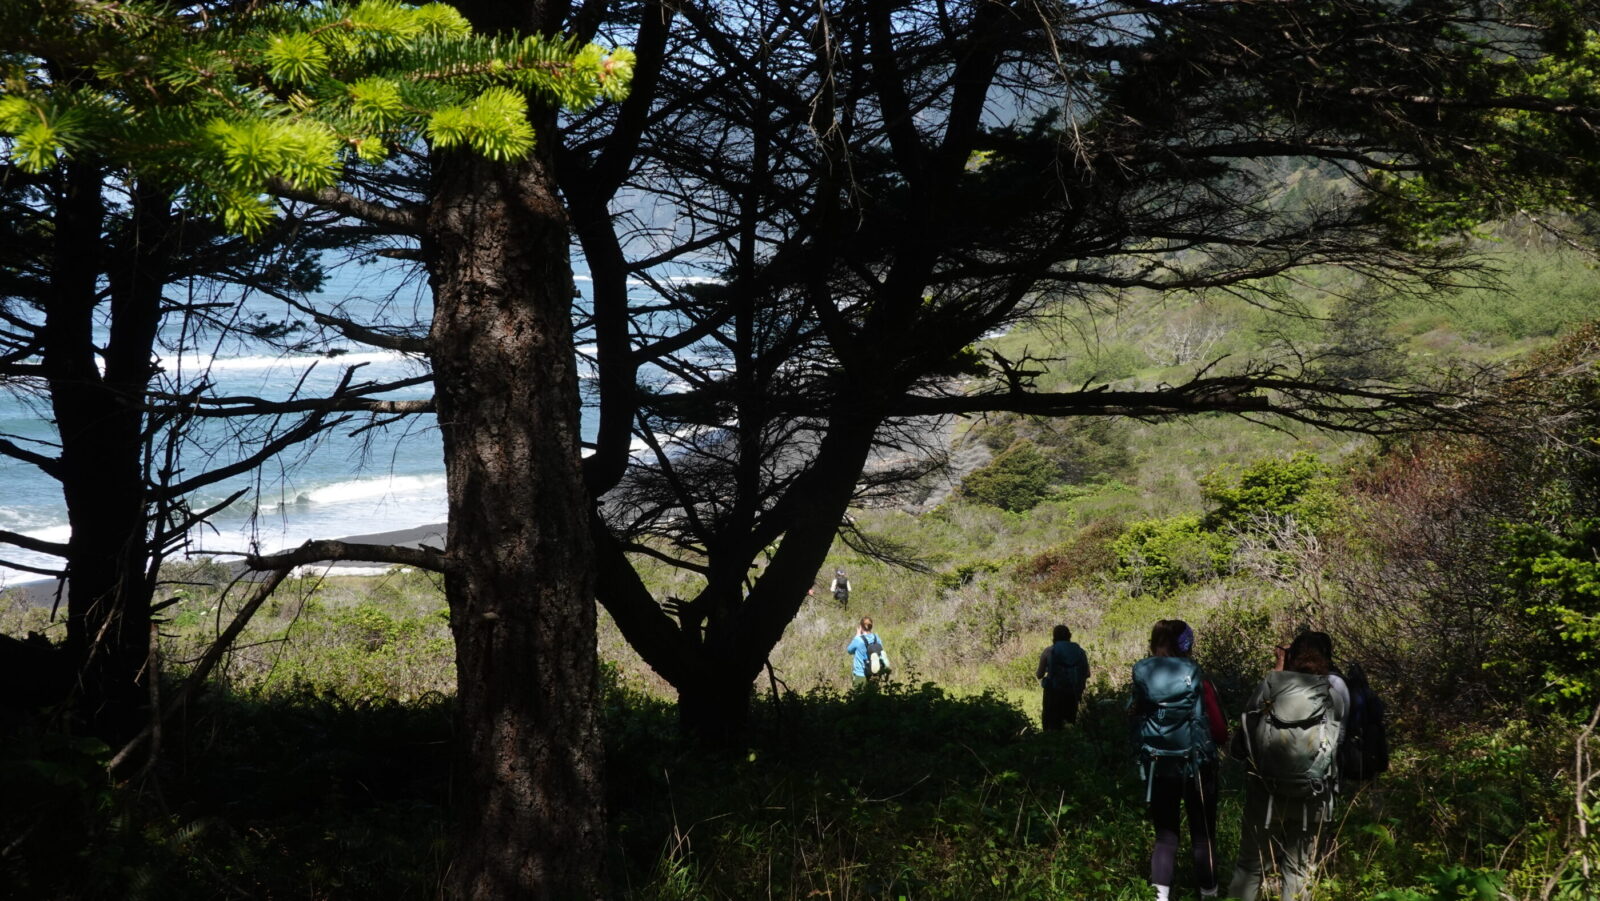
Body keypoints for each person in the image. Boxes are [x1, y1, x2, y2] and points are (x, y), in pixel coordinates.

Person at [1225, 636, 1349, 900]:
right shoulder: (1334, 693)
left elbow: (1246, 730)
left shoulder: (1270, 686)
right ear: (1327, 658)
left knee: (1250, 866)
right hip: (1313, 796)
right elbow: (1338, 742)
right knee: (1299, 871)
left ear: (1291, 656)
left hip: (1265, 791)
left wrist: (1279, 666)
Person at [1132, 620, 1228, 901]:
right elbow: (1220, 731)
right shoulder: (1198, 677)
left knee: (1165, 836)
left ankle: (1160, 897)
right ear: (1187, 645)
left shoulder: (1144, 675)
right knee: (1203, 835)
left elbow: (1136, 716)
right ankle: (1208, 894)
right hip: (1197, 765)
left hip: (1158, 764)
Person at [1037, 624, 1090, 729]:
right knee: (1069, 723)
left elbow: (1039, 675)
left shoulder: (1049, 651)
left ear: (1054, 636)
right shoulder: (1080, 652)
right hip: (1073, 693)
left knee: (1051, 724)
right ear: (1069, 636)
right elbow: (1087, 674)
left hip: (1053, 694)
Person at [844, 616, 885, 685]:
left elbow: (849, 651)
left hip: (860, 673)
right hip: (874, 672)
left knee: (859, 694)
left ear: (861, 627)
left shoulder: (858, 640)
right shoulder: (876, 637)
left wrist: (857, 636)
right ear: (871, 626)